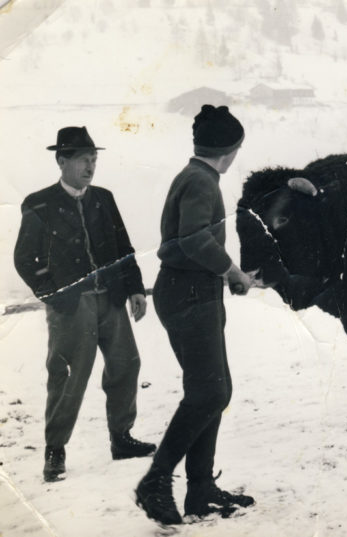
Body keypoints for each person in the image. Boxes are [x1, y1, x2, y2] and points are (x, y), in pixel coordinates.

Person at [13, 126, 156, 483]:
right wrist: (54, 296)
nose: (91, 166)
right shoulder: (39, 203)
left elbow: (124, 248)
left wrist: (135, 289)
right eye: (82, 160)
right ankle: (55, 450)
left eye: (94, 159)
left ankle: (121, 438)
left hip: (111, 299)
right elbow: (23, 258)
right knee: (68, 378)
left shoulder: (104, 199)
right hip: (72, 308)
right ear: (61, 161)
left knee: (126, 365)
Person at [135, 105, 255, 525]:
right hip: (189, 294)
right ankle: (156, 481)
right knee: (210, 393)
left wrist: (226, 275)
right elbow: (192, 239)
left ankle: (200, 489)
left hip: (192, 291)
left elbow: (193, 242)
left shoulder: (195, 176)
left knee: (212, 391)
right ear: (231, 149)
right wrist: (233, 269)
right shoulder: (202, 180)